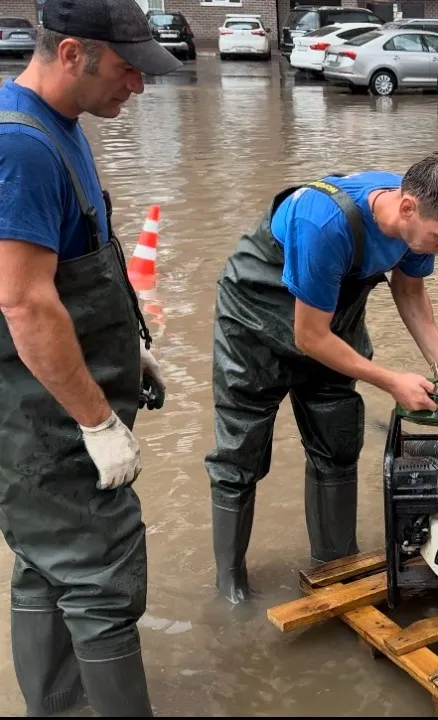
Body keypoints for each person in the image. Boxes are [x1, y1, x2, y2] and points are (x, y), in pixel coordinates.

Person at [0, 0, 180, 716]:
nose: (137, 86)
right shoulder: (20, 147)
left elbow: (79, 267)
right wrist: (99, 422)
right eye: (129, 69)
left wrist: (127, 351)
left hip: (51, 406)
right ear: (72, 53)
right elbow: (25, 304)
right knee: (101, 576)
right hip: (46, 420)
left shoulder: (60, 126)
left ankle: (56, 709)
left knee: (46, 565)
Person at [204, 153, 438, 604]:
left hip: (334, 322)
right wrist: (391, 380)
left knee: (337, 442)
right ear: (407, 207)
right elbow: (309, 337)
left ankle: (335, 566)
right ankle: (230, 584)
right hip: (254, 321)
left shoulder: (415, 222)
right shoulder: (324, 223)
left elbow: (409, 290)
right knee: (240, 453)